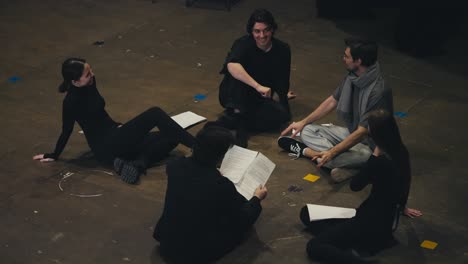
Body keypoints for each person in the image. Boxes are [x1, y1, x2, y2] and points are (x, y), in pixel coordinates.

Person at [33, 58, 195, 184]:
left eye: (91, 70)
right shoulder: (70, 102)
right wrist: (54, 154)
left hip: (116, 135)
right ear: (75, 82)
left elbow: (100, 115)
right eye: (88, 74)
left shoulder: (90, 83)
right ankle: (202, 148)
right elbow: (66, 130)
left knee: (172, 135)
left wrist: (118, 126)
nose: (93, 75)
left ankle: (138, 163)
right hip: (105, 147)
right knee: (155, 113)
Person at [299, 109, 422, 264]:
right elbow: (406, 181)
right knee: (307, 213)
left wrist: (374, 157)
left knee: (314, 246)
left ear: (375, 133)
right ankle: (349, 242)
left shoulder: (379, 161)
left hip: (367, 223)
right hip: (385, 225)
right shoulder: (401, 152)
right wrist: (402, 207)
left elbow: (355, 185)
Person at [278, 37, 393, 182]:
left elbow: (362, 132)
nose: (343, 58)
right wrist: (303, 122)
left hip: (371, 146)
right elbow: (332, 100)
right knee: (307, 130)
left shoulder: (378, 91)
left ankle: (312, 154)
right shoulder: (353, 76)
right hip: (352, 132)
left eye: (347, 56)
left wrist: (332, 152)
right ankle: (337, 162)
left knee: (344, 158)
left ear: (358, 61)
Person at [153, 124, 268, 263]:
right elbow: (242, 220)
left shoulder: (175, 167)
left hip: (167, 241)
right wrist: (256, 199)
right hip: (194, 255)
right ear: (221, 157)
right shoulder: (220, 185)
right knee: (240, 224)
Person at [217, 8, 294, 147]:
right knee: (238, 77)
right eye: (257, 31)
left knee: (282, 115)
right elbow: (232, 65)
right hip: (236, 93)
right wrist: (257, 86)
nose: (262, 35)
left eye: (266, 30)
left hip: (261, 96)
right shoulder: (243, 44)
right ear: (251, 32)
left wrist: (281, 96)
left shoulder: (283, 49)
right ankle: (239, 118)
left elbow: (283, 78)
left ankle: (236, 119)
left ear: (272, 30)